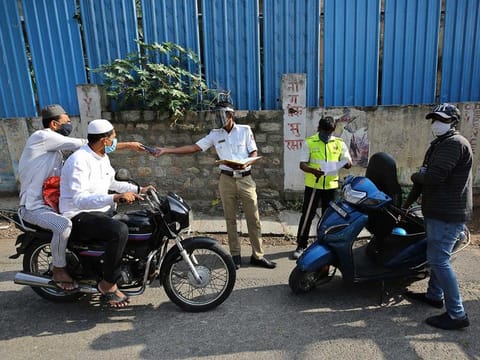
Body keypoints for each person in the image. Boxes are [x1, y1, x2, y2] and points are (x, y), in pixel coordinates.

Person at [18, 104, 145, 291]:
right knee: (64, 226)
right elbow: (84, 143)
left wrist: (139, 189)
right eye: (66, 121)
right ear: (53, 124)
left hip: (51, 204)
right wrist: (129, 145)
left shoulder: (58, 151)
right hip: (34, 207)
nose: (70, 124)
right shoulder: (42, 137)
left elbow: (107, 178)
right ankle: (59, 269)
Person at [154, 102, 276, 269]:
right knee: (230, 218)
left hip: (246, 178)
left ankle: (258, 255)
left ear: (230, 115)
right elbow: (194, 147)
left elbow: (253, 151)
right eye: (216, 115)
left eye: (221, 115)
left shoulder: (245, 130)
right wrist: (167, 150)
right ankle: (235, 255)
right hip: (226, 180)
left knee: (253, 218)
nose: (218, 118)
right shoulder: (214, 134)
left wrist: (247, 163)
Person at [59, 119, 155, 307]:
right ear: (104, 140)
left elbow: (111, 183)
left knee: (139, 221)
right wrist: (115, 198)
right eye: (113, 137)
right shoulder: (79, 160)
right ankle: (108, 284)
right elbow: (79, 199)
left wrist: (139, 189)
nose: (115, 142)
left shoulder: (101, 156)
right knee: (119, 231)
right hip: (78, 215)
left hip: (100, 212)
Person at [403, 103, 472, 330]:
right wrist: (407, 203)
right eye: (434, 119)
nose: (436, 123)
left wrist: (415, 176)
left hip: (448, 214)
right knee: (436, 256)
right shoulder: (439, 144)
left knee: (439, 260)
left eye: (441, 119)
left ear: (453, 122)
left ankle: (457, 314)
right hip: (437, 212)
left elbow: (432, 177)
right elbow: (423, 178)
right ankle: (434, 296)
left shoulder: (454, 144)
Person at [292, 116, 352, 259]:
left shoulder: (339, 143)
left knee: (329, 217)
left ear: (333, 130)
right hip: (314, 185)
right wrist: (313, 171)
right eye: (324, 132)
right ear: (318, 129)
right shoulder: (309, 142)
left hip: (331, 186)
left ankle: (325, 244)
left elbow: (348, 161)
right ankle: (301, 245)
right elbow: (302, 164)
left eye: (329, 132)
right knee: (308, 215)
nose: (327, 135)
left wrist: (347, 163)